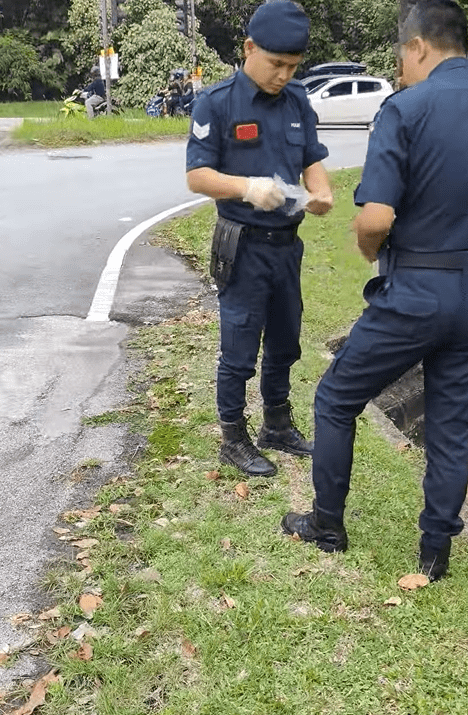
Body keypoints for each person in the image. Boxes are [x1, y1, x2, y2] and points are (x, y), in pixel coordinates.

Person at [282, 0, 468, 580]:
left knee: (336, 398)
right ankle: (434, 556)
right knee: (452, 427)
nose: (399, 67)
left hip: (415, 293)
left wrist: (373, 250)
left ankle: (326, 525)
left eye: (401, 54)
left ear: (419, 46)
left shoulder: (405, 109)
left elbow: (375, 219)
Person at [185, 0, 333, 478]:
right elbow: (198, 176)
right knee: (240, 349)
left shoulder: (297, 101)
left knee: (286, 342)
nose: (284, 75)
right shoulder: (218, 101)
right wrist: (246, 188)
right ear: (250, 48)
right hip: (242, 244)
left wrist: (322, 189)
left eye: (293, 66)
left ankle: (276, 425)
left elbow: (311, 156)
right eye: (276, 64)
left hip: (287, 246)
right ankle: (232, 436)